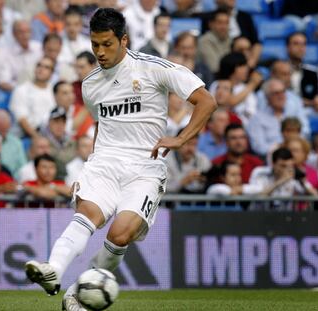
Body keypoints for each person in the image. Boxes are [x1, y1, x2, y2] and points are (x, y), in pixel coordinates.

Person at [24, 8, 216, 310]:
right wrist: (92, 162)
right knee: (88, 214)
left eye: (106, 44)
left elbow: (206, 100)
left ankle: (77, 291)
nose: (99, 52)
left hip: (145, 167)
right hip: (105, 162)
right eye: (94, 44)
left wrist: (180, 138)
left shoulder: (154, 68)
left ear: (123, 40)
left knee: (120, 233)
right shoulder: (90, 85)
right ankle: (53, 270)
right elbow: (103, 124)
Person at [10, 57, 56, 139]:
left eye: (46, 67)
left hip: (51, 136)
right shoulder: (21, 90)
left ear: (52, 73)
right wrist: (38, 138)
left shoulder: (54, 91)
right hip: (27, 136)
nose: (41, 69)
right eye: (39, 65)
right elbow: (22, 120)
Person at [197, 8, 232, 74]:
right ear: (211, 24)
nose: (224, 27)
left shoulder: (230, 39)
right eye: (220, 23)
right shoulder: (204, 41)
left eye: (226, 23)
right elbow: (214, 68)